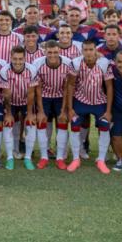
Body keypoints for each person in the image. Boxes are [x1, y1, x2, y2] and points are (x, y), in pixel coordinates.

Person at [67, 40, 113, 174]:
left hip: (99, 101)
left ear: (96, 50)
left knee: (104, 127)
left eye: (91, 49)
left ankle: (101, 159)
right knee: (75, 126)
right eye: (86, 50)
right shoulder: (75, 63)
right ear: (82, 51)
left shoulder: (104, 63)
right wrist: (70, 109)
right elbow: (70, 85)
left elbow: (109, 87)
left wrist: (109, 110)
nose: (88, 52)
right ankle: (76, 158)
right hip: (81, 101)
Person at [32, 41, 74, 170]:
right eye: (49, 52)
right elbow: (38, 88)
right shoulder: (38, 63)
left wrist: (63, 110)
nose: (52, 55)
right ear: (45, 52)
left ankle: (60, 158)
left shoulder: (68, 63)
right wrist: (40, 110)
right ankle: (44, 157)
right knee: (41, 124)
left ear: (59, 51)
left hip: (61, 97)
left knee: (62, 124)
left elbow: (67, 87)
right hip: (44, 97)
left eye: (55, 52)